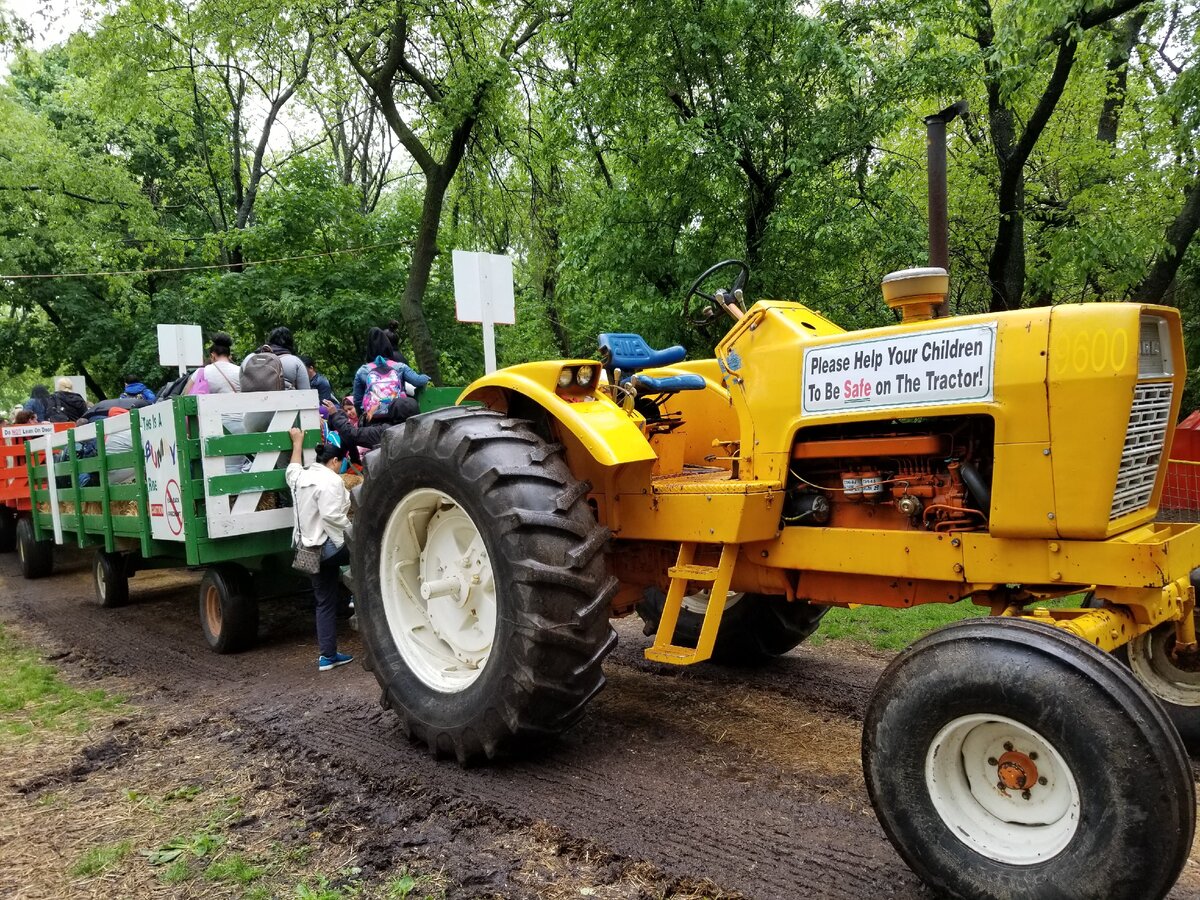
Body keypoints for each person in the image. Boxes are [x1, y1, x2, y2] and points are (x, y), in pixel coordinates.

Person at [286, 426, 353, 671]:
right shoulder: (332, 480)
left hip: (308, 552)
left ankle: (327, 656)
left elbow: (291, 470)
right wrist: (355, 535)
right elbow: (333, 517)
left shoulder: (301, 477)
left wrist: (297, 442)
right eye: (342, 462)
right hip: (329, 549)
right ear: (335, 461)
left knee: (324, 602)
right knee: (372, 552)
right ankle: (358, 596)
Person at [187, 332, 245, 473]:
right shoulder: (241, 371)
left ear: (212, 355)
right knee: (239, 466)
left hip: (215, 427)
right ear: (229, 355)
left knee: (219, 469)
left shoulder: (202, 373)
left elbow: (186, 400)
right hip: (242, 425)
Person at [241, 326, 310, 434]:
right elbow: (306, 397)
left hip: (252, 421)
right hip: (285, 420)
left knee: (257, 450)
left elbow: (241, 388)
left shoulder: (249, 359)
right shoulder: (294, 361)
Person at [352, 329, 430, 422]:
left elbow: (357, 401)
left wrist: (363, 417)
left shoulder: (363, 371)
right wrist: (426, 377)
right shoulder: (399, 367)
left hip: (373, 419)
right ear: (388, 347)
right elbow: (418, 381)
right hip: (398, 416)